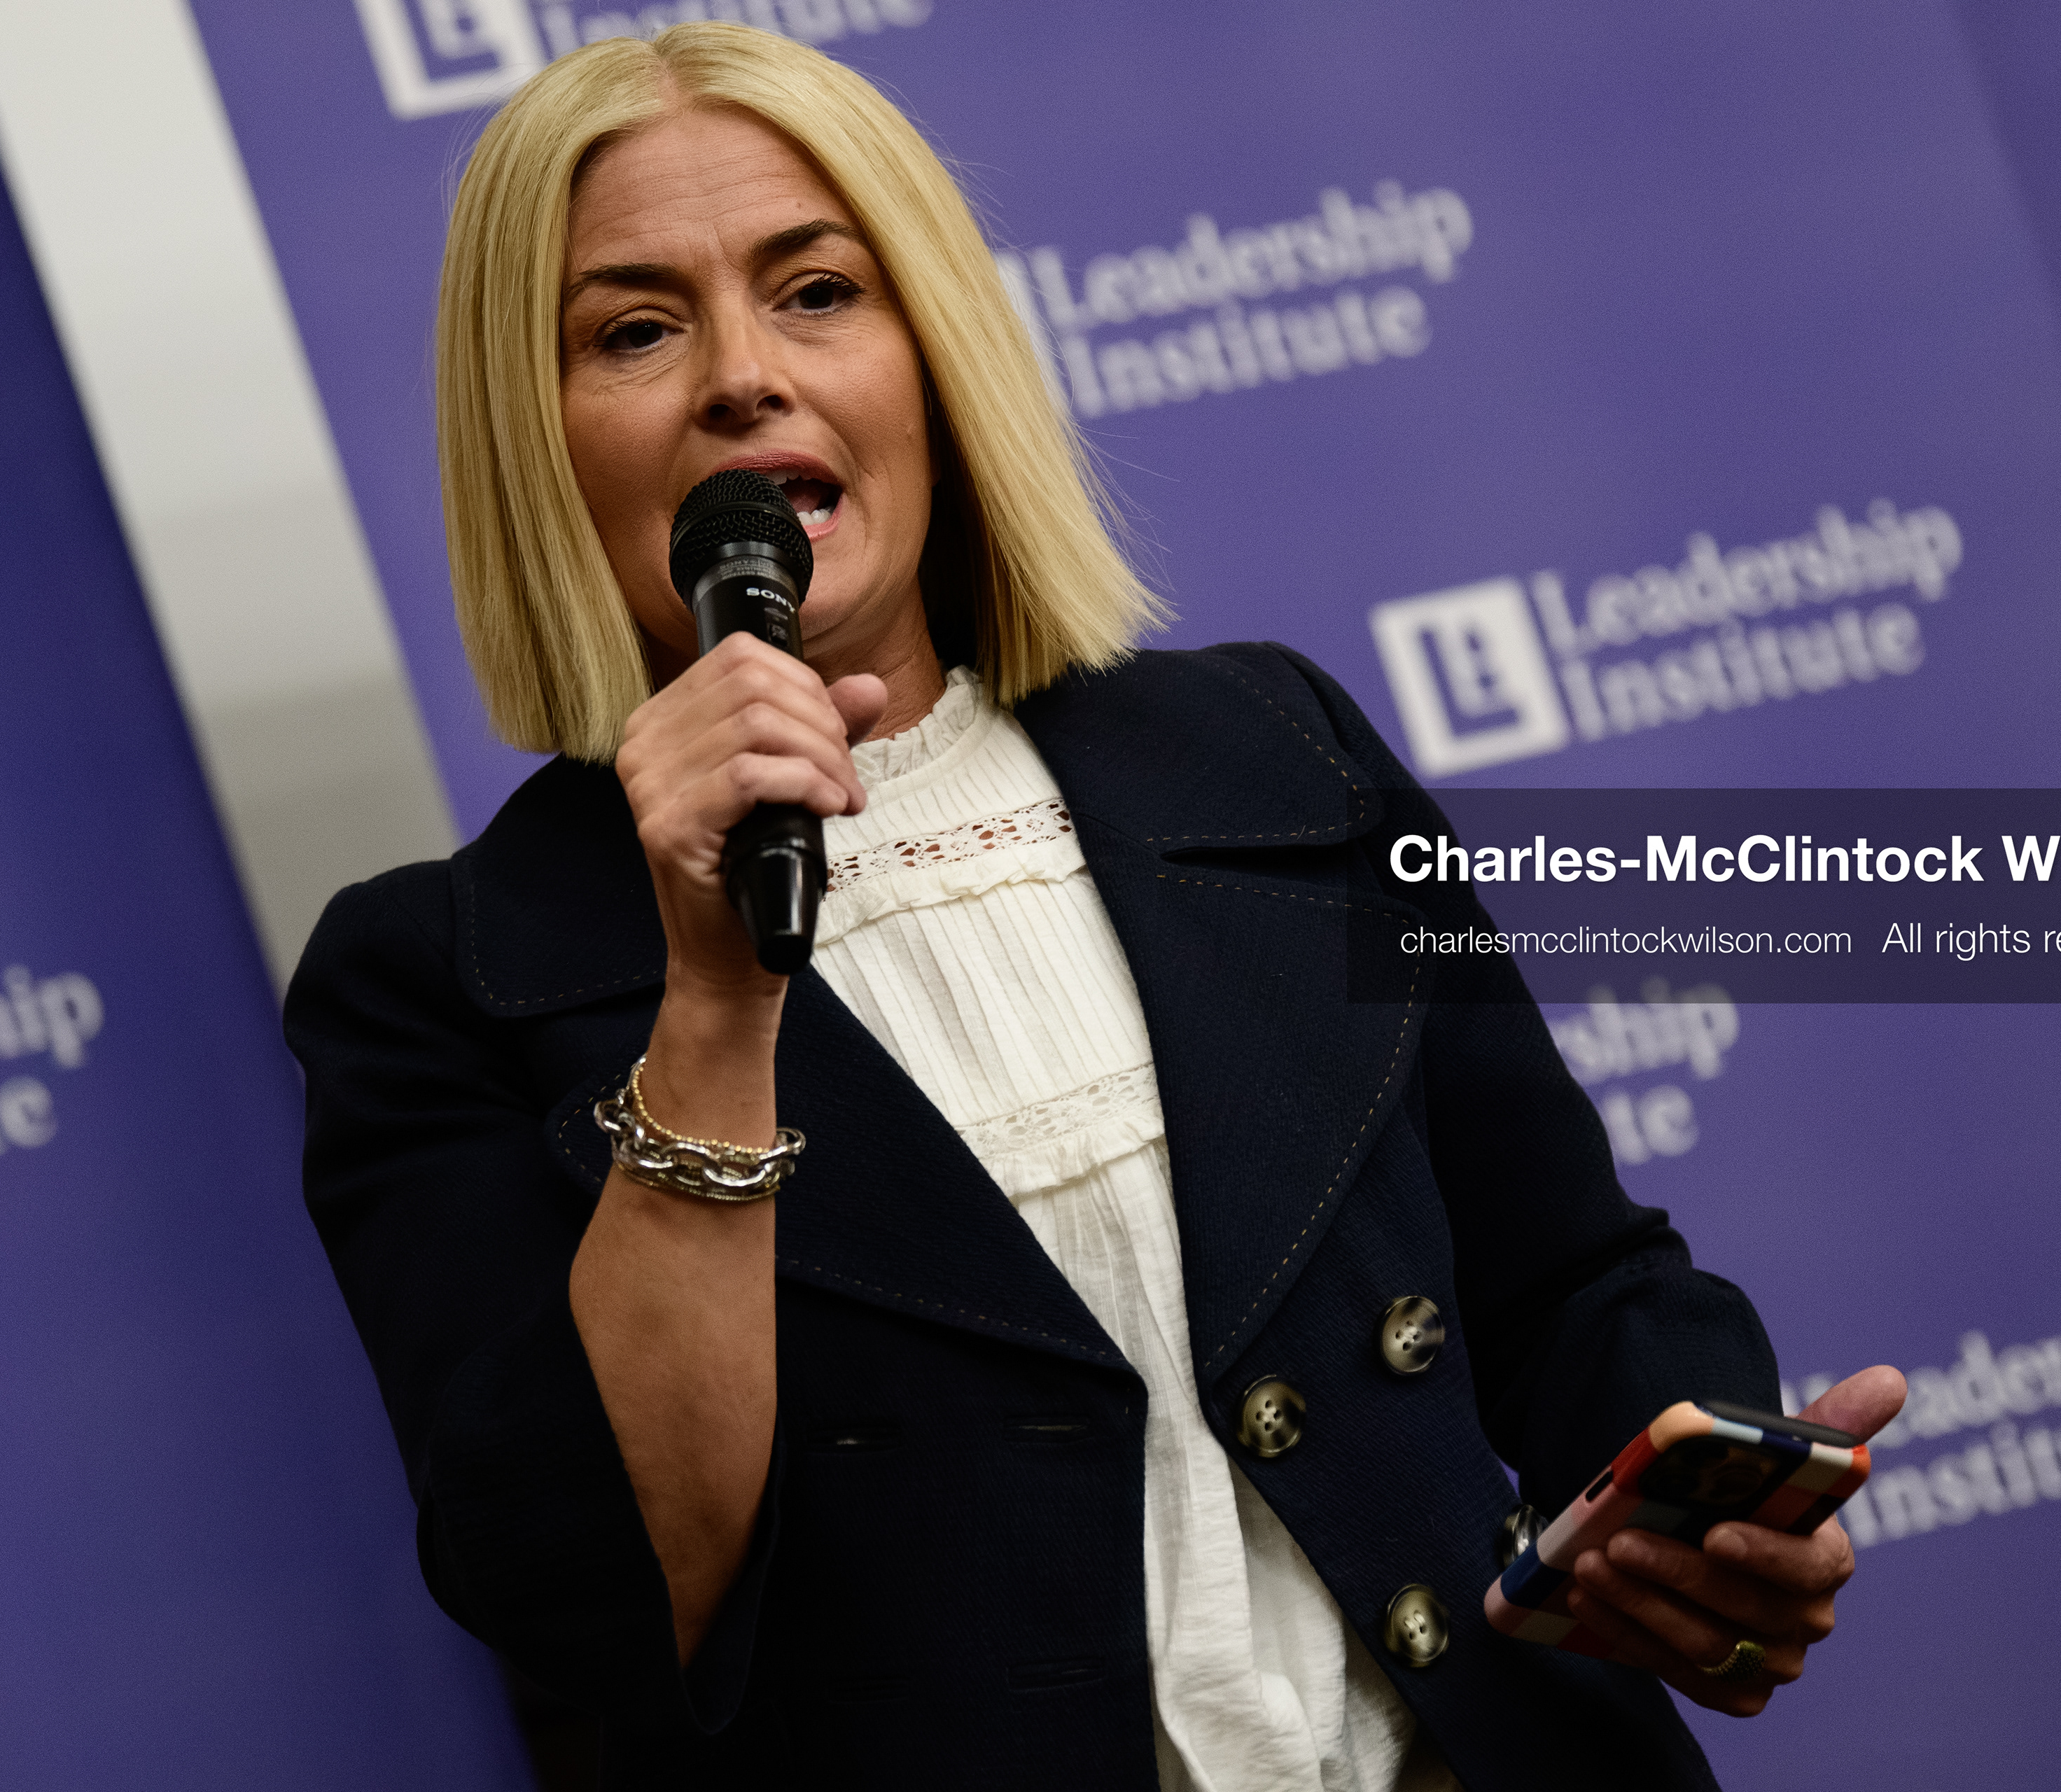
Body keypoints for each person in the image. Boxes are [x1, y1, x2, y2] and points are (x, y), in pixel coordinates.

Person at [284, 22, 1905, 1789]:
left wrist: (1696, 1506)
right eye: (634, 330)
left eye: (818, 292)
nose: (743, 376)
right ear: (536, 441)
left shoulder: (1274, 748)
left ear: (935, 353)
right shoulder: (438, 977)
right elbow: (597, 1597)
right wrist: (715, 1004)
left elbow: (1570, 1277)